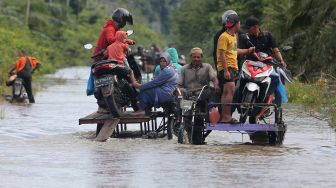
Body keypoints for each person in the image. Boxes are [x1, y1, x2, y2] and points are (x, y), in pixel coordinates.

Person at [216, 13, 255, 123]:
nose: (240, 25)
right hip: (227, 67)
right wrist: (226, 70)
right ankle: (226, 117)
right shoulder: (224, 37)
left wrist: (248, 50)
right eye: (239, 23)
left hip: (233, 67)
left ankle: (226, 116)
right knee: (228, 91)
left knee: (230, 91)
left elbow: (234, 51)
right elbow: (222, 54)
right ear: (237, 24)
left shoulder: (233, 36)